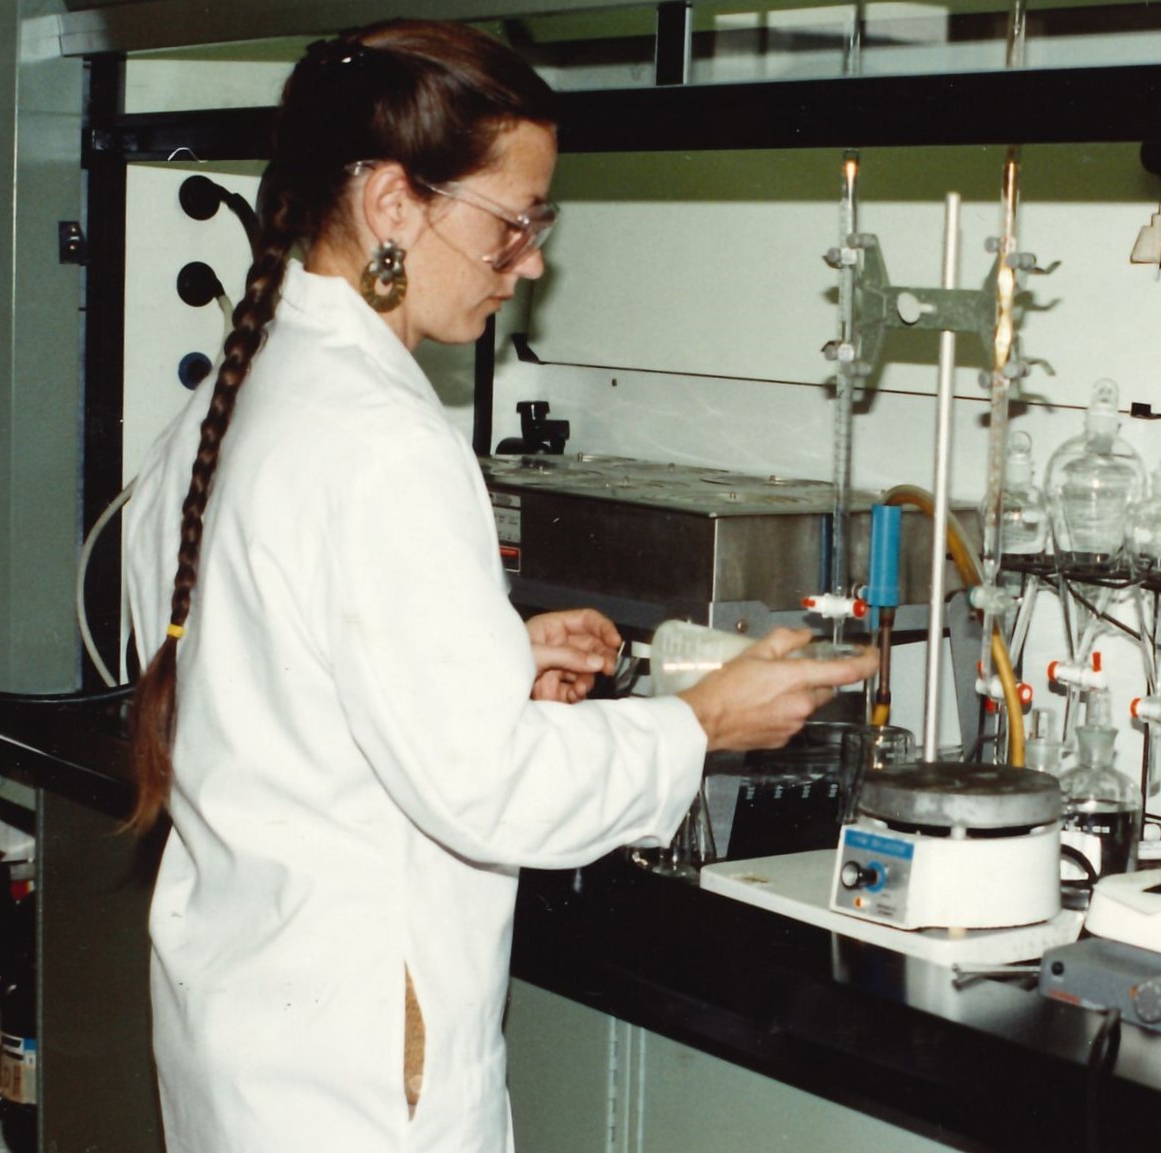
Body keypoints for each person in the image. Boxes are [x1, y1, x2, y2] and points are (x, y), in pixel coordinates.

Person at [121, 20, 876, 1153]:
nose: (530, 261)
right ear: (391, 204)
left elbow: (244, 665)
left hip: (249, 1028)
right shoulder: (387, 438)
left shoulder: (240, 397)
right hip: (366, 1064)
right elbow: (490, 792)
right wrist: (700, 725)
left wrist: (487, 659)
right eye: (512, 223)